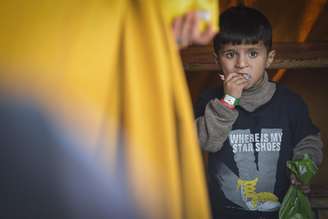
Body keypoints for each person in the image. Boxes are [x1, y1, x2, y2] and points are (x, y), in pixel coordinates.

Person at [194, 6, 323, 219]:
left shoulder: (289, 102)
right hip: (223, 214)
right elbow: (207, 142)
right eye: (230, 54)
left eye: (253, 53)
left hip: (280, 213)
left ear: (269, 58)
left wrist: (302, 168)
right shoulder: (209, 100)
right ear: (217, 59)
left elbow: (309, 140)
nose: (241, 64)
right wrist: (229, 101)